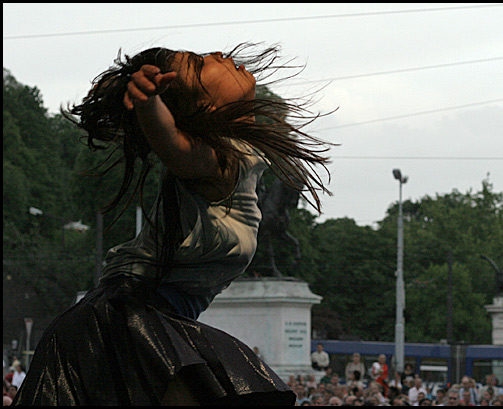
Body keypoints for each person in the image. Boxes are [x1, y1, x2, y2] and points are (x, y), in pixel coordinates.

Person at [13, 43, 332, 406]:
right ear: (205, 108)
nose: (216, 55)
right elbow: (174, 146)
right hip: (121, 322)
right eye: (200, 63)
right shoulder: (214, 162)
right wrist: (149, 105)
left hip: (140, 321)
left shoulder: (240, 157)